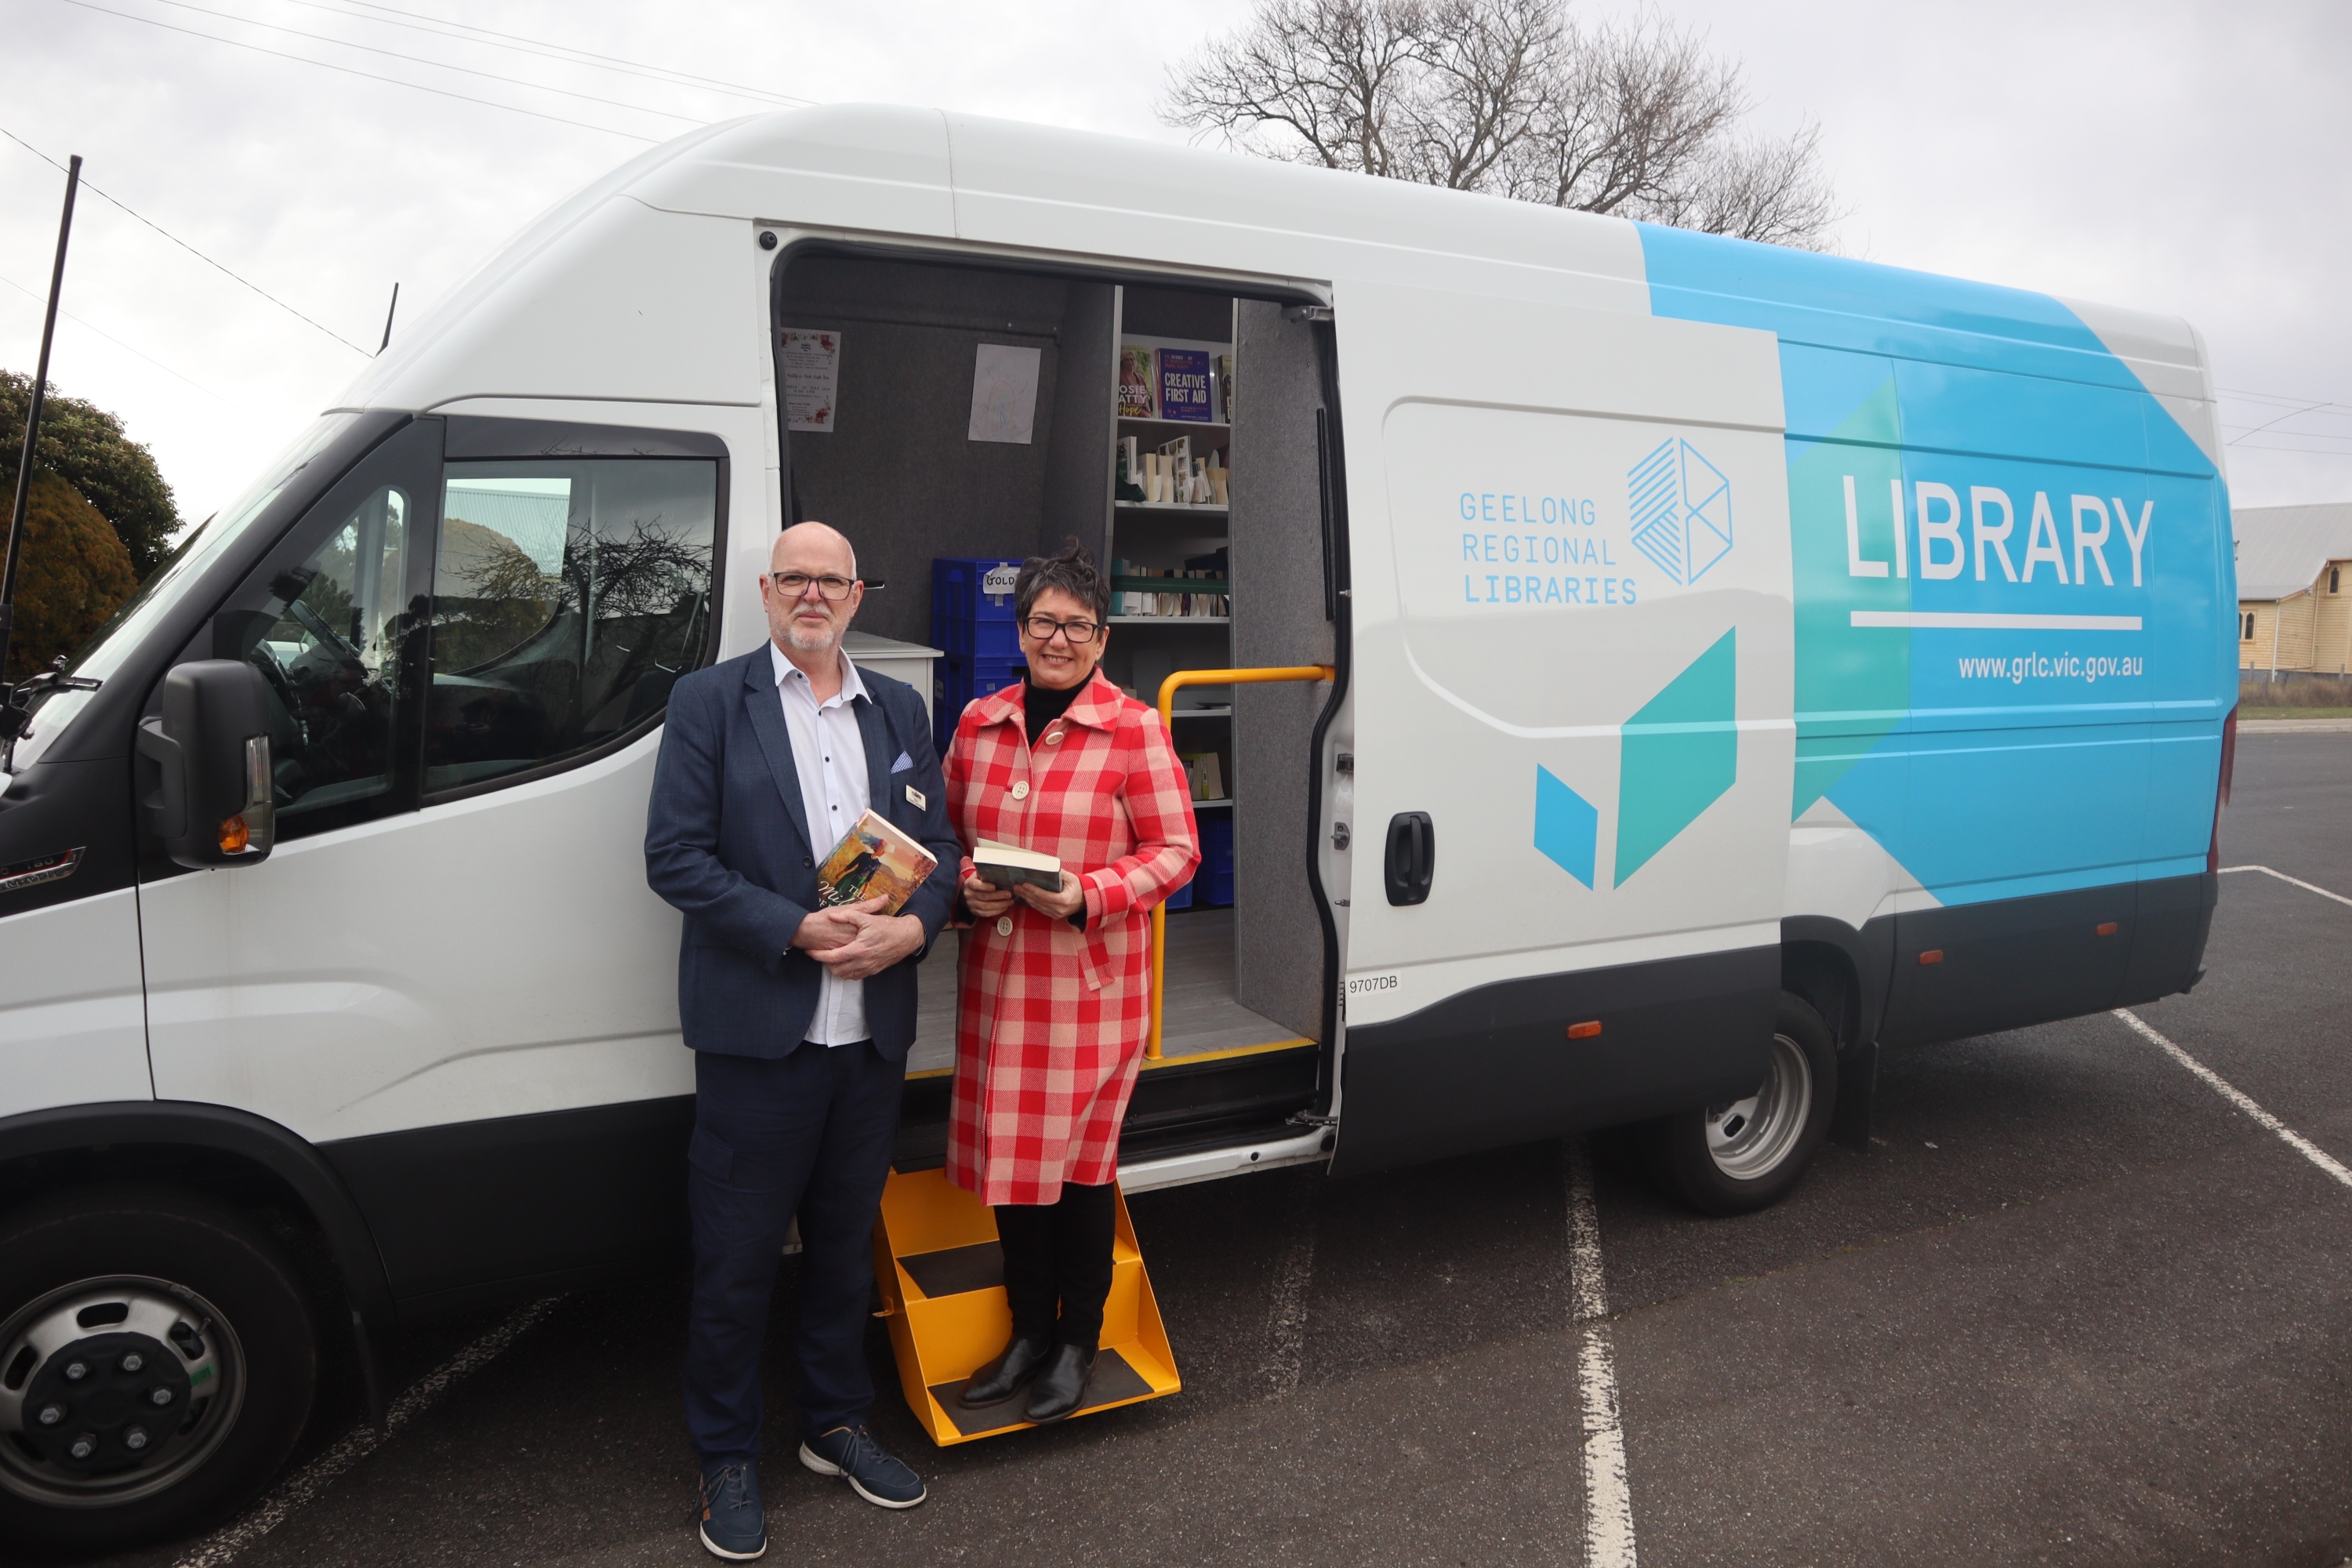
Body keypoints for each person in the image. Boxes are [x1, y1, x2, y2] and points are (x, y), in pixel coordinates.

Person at [644, 521, 960, 1562]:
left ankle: (835, 1424)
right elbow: (676, 859)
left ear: (858, 595)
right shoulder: (707, 703)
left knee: (839, 1251)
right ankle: (726, 1454)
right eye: (795, 578)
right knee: (735, 1262)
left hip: (869, 1039)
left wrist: (915, 927)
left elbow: (942, 853)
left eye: (831, 580)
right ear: (766, 590)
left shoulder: (903, 708)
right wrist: (793, 926)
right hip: (760, 1037)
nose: (812, 595)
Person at [942, 540, 1200, 1423]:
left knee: (1082, 1175)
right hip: (1001, 981)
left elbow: (1177, 852)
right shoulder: (978, 723)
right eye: (1045, 621)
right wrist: (967, 886)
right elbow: (952, 840)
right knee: (1017, 1170)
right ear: (1020, 631)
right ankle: (1025, 1332)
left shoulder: (1133, 729)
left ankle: (1075, 1342)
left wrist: (1087, 893)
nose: (1060, 638)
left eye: (1078, 626)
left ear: (1103, 637)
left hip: (1089, 989)